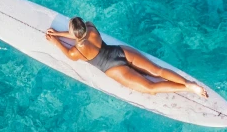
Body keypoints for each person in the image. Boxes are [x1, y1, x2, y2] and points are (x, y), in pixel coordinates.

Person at [45, 16, 208, 97]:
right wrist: (61, 33)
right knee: (157, 71)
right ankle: (188, 82)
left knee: (150, 88)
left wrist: (55, 40)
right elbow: (80, 35)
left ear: (73, 33)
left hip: (112, 68)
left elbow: (67, 53)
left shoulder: (76, 52)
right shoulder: (90, 27)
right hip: (120, 51)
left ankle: (187, 88)